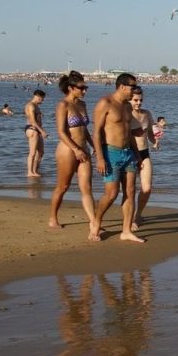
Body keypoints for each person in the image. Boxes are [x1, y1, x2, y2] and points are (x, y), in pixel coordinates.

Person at [91, 73, 144, 243]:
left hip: (128, 152)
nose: (134, 91)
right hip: (110, 152)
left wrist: (137, 154)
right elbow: (96, 133)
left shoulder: (128, 107)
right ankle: (96, 221)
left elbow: (128, 133)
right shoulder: (105, 103)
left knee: (130, 192)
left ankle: (126, 230)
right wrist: (100, 158)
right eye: (132, 87)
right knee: (112, 193)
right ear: (122, 87)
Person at [48, 71, 96, 235]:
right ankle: (53, 217)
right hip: (68, 149)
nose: (85, 91)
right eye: (82, 88)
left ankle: (93, 222)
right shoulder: (63, 105)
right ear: (70, 88)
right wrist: (75, 149)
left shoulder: (82, 105)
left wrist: (93, 145)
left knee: (87, 187)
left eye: (85, 87)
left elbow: (85, 130)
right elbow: (61, 132)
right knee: (63, 186)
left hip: (84, 149)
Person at [129, 86, 156, 231]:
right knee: (130, 189)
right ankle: (131, 218)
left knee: (147, 188)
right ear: (129, 99)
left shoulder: (147, 114)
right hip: (131, 154)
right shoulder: (126, 114)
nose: (138, 103)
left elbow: (150, 133)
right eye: (135, 100)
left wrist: (155, 141)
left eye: (140, 100)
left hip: (145, 153)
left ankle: (138, 214)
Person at [24, 89, 48, 177]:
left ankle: (35, 170)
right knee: (32, 152)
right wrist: (42, 131)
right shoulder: (31, 106)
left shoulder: (36, 106)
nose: (43, 100)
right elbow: (33, 122)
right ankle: (30, 172)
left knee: (41, 152)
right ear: (38, 97)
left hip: (37, 129)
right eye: (42, 98)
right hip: (32, 129)